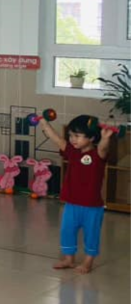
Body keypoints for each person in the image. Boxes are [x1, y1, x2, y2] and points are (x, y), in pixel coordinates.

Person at [39, 116, 115, 274]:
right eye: (71, 135)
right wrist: (44, 123)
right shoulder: (72, 152)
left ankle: (88, 262)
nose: (72, 139)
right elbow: (57, 139)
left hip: (92, 207)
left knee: (91, 234)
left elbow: (103, 148)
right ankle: (69, 259)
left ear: (91, 138)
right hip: (72, 203)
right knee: (67, 231)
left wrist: (106, 137)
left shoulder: (97, 155)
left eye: (77, 136)